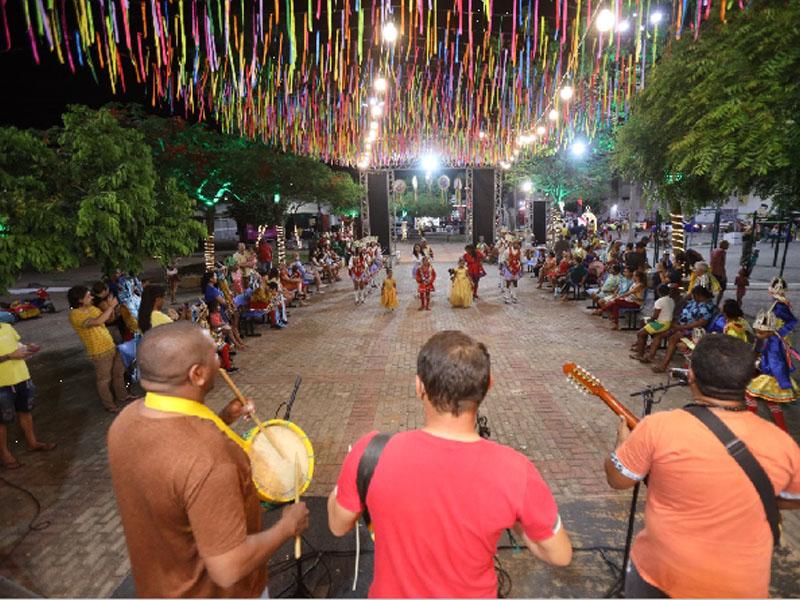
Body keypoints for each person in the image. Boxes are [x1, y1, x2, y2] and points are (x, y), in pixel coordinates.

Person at [327, 331, 572, 597]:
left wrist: (351, 469)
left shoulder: (370, 453)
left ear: (419, 386)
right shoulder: (516, 471)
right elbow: (559, 554)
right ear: (488, 385)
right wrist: (514, 518)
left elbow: (338, 525)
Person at [108, 322, 309, 597]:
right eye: (215, 354)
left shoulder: (126, 420)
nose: (221, 361)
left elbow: (174, 455)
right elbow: (228, 568)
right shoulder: (212, 459)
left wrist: (224, 418)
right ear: (197, 374)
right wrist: (287, 526)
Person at [605, 334, 800, 598]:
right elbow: (792, 498)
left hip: (661, 576)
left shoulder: (658, 427)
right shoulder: (781, 443)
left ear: (692, 375)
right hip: (741, 584)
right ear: (750, 379)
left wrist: (621, 444)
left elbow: (618, 479)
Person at [67, 285, 134, 413]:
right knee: (104, 380)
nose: (91, 297)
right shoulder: (74, 315)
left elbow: (108, 319)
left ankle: (122, 395)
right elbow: (96, 322)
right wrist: (110, 307)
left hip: (110, 345)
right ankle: (110, 405)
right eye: (88, 296)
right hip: (98, 351)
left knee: (118, 373)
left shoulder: (92, 308)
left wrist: (112, 309)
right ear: (80, 300)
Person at [0, 323, 54, 469]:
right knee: (2, 422)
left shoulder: (6, 327)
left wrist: (26, 348)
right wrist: (10, 356)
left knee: (26, 411)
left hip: (22, 377)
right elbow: (11, 353)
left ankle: (32, 442)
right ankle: (5, 455)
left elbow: (16, 344)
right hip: (2, 385)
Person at [648, 286, 716, 372]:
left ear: (698, 295)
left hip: (691, 329)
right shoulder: (694, 302)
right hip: (680, 325)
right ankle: (650, 357)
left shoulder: (707, 306)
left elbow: (701, 323)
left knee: (673, 338)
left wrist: (681, 327)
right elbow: (683, 312)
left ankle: (664, 365)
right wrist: (675, 323)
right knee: (659, 334)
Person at [630, 284, 673, 362]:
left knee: (640, 333)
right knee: (643, 322)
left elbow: (655, 316)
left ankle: (640, 355)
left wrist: (650, 321)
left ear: (659, 292)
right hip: (667, 322)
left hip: (661, 323)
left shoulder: (659, 301)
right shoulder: (671, 300)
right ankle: (641, 347)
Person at [500, 239, 524, 304]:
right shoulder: (507, 251)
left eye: (517, 244)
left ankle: (514, 296)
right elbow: (503, 260)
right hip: (509, 268)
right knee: (508, 282)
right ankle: (507, 296)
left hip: (516, 268)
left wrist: (522, 270)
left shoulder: (520, 251)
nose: (516, 245)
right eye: (515, 243)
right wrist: (506, 268)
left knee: (515, 282)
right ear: (512, 244)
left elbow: (522, 261)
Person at [710, 240, 729, 305]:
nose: (728, 246)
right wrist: (724, 274)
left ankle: (710, 302)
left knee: (712, 288)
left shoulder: (714, 251)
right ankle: (717, 303)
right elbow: (721, 264)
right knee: (722, 289)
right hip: (719, 273)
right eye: (727, 244)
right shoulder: (722, 252)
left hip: (713, 271)